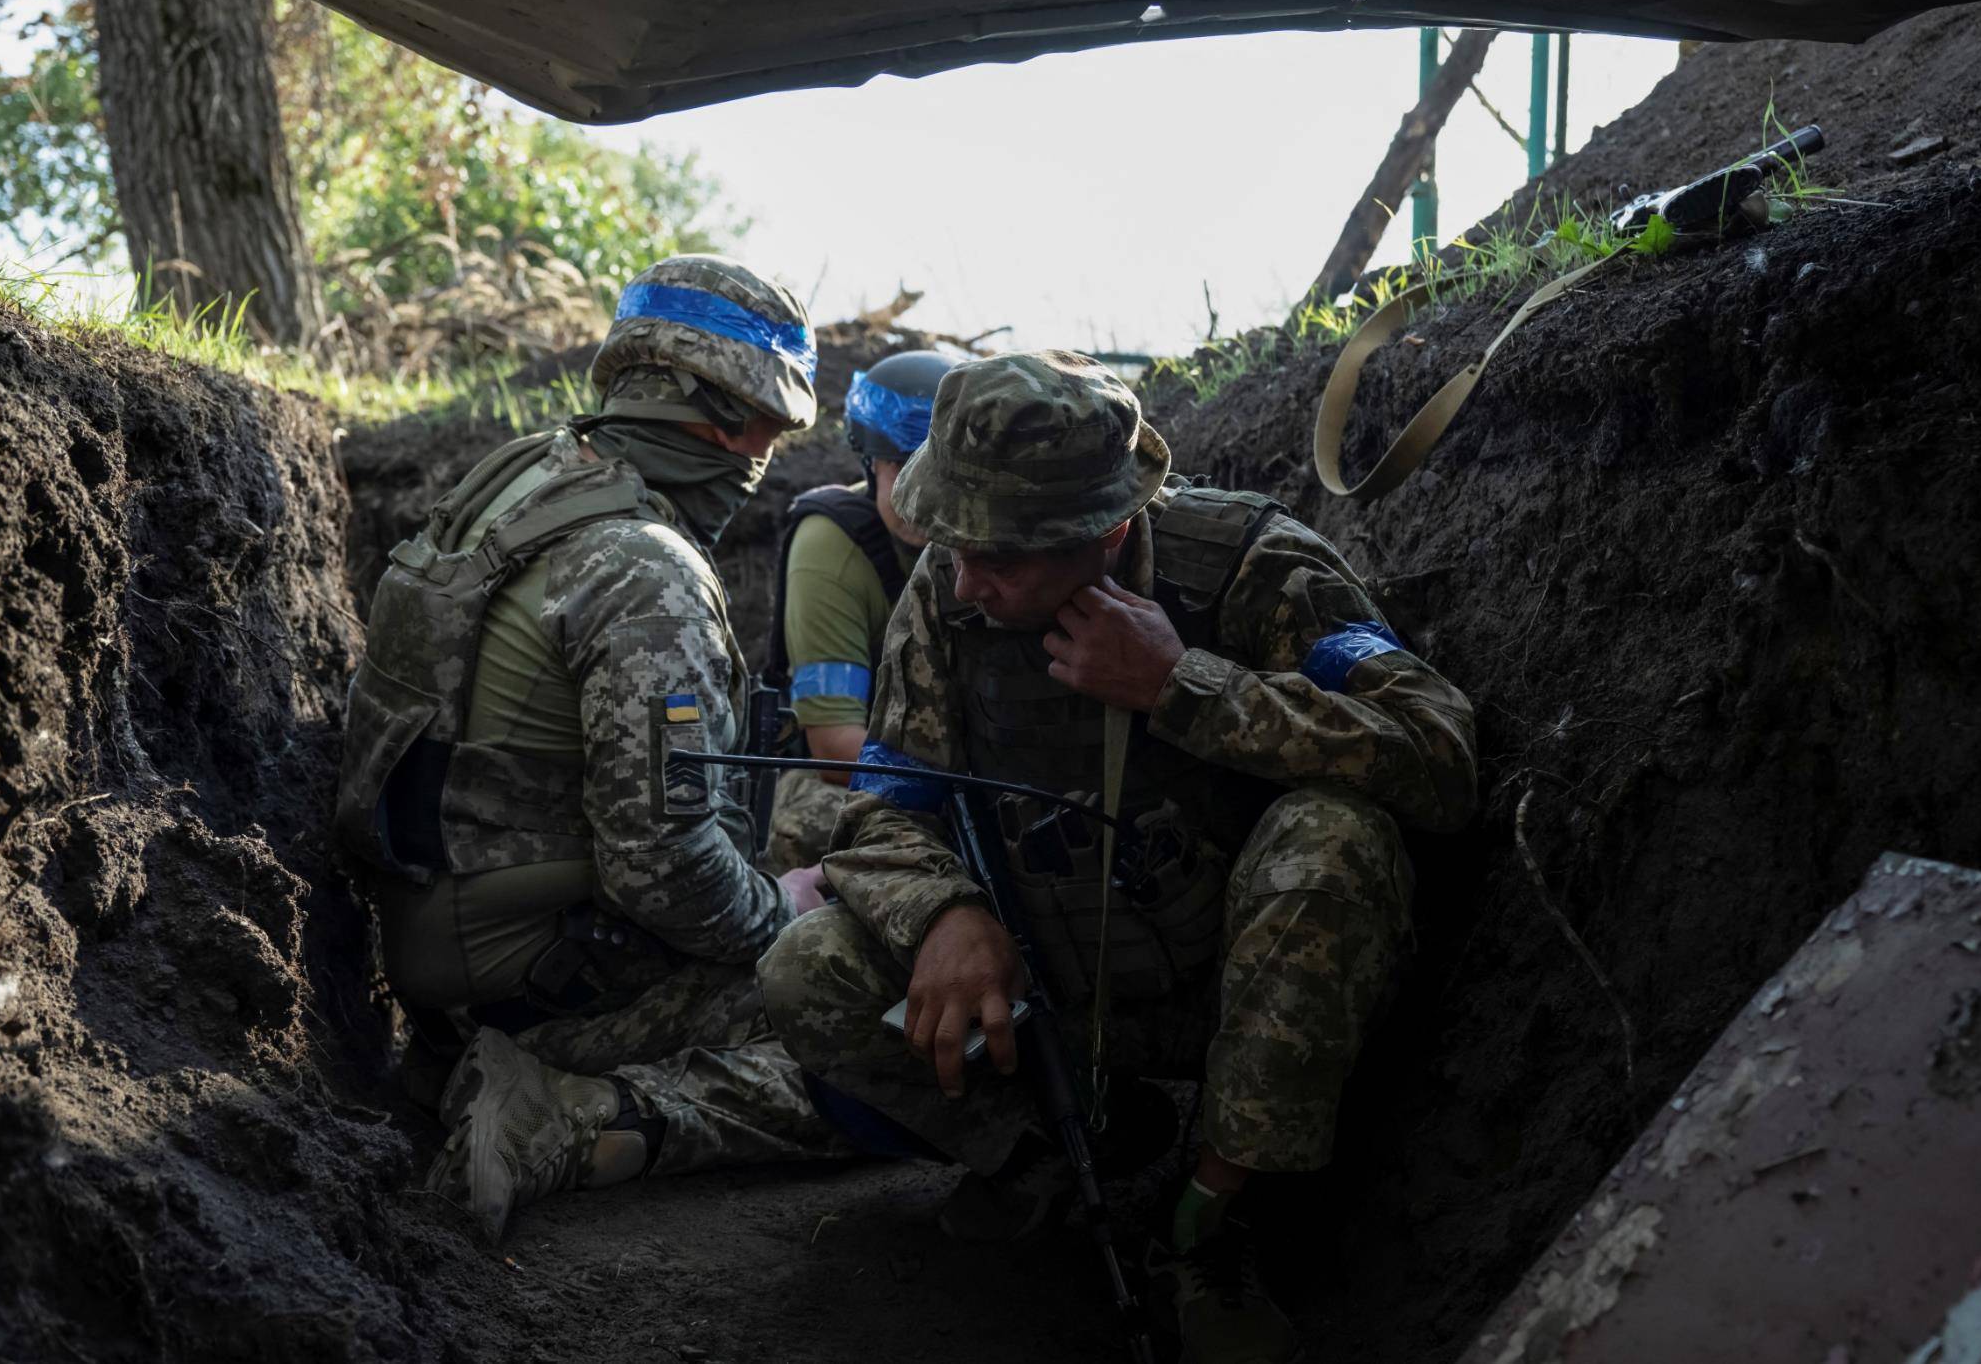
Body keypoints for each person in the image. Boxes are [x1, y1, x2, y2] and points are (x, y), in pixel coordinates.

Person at [757, 350, 1478, 1363]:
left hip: (1243, 984)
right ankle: (1064, 1157)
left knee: (1333, 837)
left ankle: (1210, 1220)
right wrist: (944, 914)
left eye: (1000, 558)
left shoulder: (1244, 563)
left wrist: (1186, 687)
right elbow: (883, 803)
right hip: (1060, 982)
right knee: (807, 963)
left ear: (1104, 530)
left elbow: (1438, 750)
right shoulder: (952, 585)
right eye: (951, 546)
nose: (964, 580)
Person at [335, 254, 849, 1243]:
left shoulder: (523, 480)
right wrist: (774, 918)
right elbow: (665, 870)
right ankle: (556, 1111)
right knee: (889, 1034)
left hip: (436, 935)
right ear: (729, 419)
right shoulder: (646, 568)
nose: (763, 460)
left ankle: (465, 1059)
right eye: (771, 435)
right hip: (543, 972)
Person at [760, 349, 955, 868]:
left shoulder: (989, 530)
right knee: (821, 823)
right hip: (873, 768)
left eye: (941, 474)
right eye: (906, 470)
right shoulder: (833, 546)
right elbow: (833, 746)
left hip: (967, 764)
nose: (925, 497)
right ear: (871, 463)